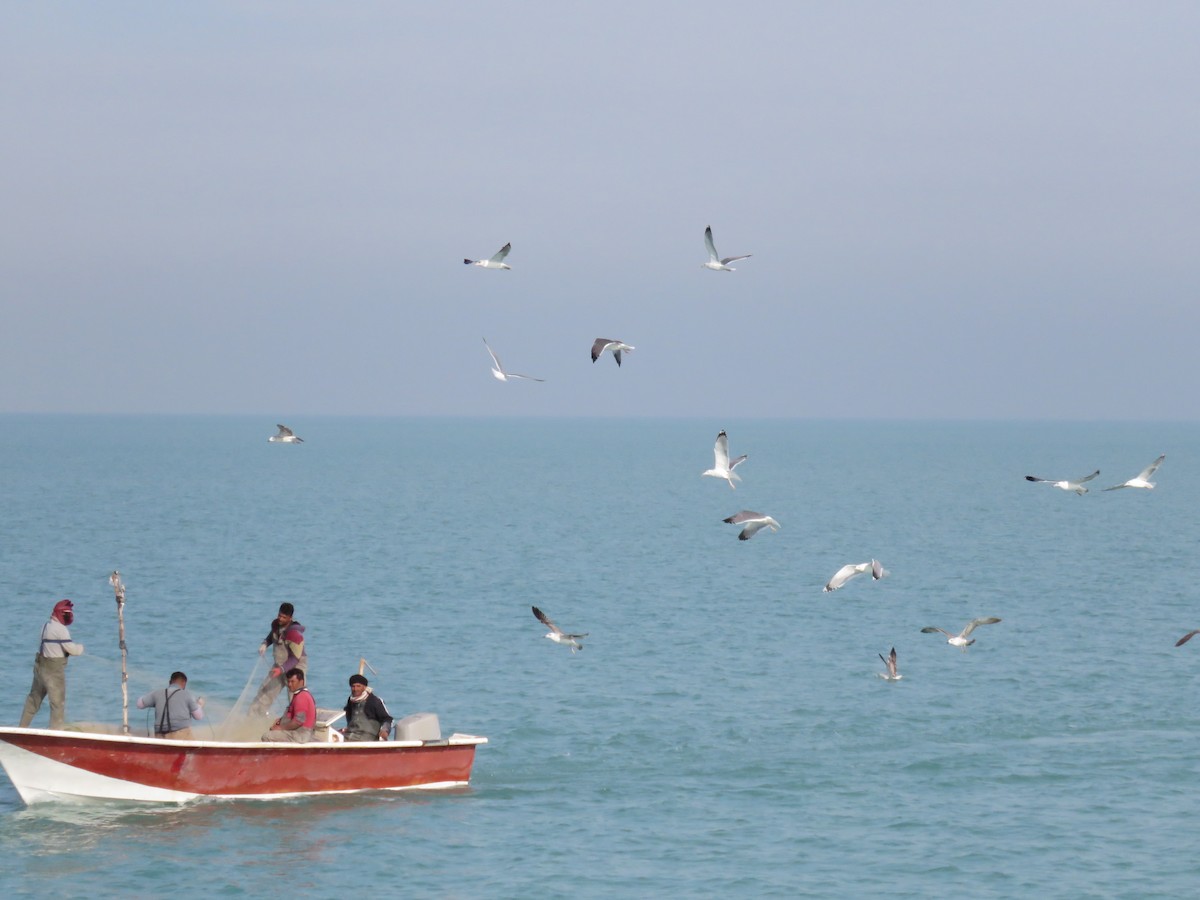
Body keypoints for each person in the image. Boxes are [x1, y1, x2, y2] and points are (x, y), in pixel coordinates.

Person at [19, 599, 84, 730]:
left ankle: (22, 727)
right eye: (67, 613)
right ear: (61, 613)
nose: (69, 615)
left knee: (33, 700)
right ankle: (55, 731)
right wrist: (80, 648)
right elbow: (72, 650)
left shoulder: (45, 626)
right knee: (57, 703)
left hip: (40, 668)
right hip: (54, 672)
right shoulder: (61, 629)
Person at [249, 602, 307, 716]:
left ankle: (296, 725)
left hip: (295, 668)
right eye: (279, 615)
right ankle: (253, 718)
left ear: (290, 618)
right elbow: (272, 636)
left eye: (283, 617)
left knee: (296, 699)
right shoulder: (275, 624)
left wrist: (281, 669)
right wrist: (265, 643)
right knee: (264, 692)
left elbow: (295, 658)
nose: (280, 618)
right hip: (278, 665)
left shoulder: (295, 634)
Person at [137, 671, 205, 740]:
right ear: (184, 683)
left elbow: (139, 704)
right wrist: (199, 705)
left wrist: (153, 698)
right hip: (180, 734)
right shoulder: (187, 695)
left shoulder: (157, 693)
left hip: (160, 735)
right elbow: (198, 717)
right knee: (195, 747)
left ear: (170, 682)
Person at [262, 668, 317, 743]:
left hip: (301, 734)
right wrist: (280, 720)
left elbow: (298, 721)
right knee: (273, 731)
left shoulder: (302, 697)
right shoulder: (299, 694)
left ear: (301, 682)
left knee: (267, 736)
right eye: (288, 681)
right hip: (297, 733)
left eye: (293, 681)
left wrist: (281, 728)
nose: (289, 684)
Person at [340, 674, 393, 742]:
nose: (355, 689)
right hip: (349, 736)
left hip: (367, 738)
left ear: (364, 687)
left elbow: (387, 719)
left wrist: (385, 730)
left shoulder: (374, 701)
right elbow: (349, 719)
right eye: (353, 686)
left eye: (358, 686)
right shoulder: (351, 701)